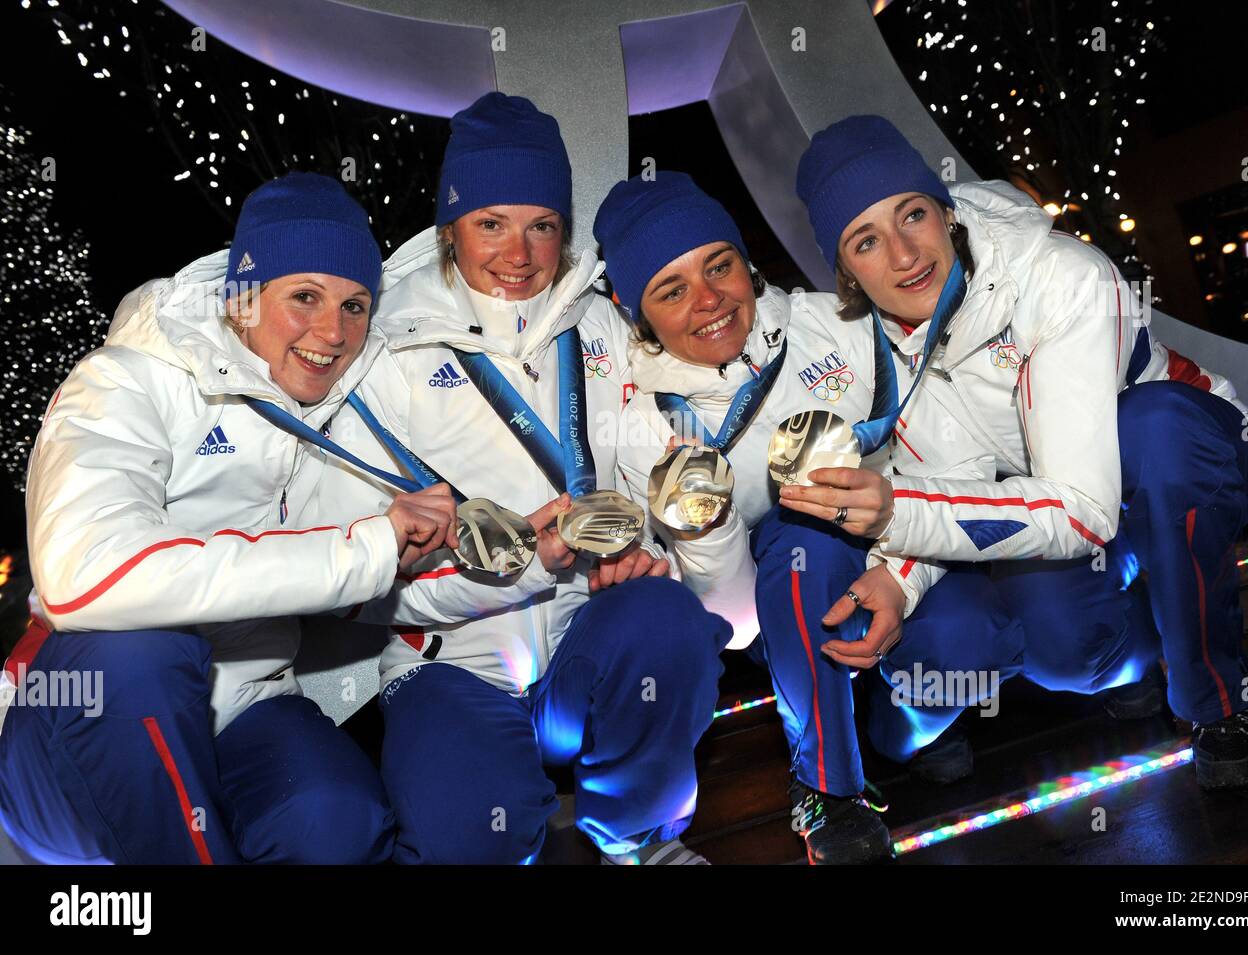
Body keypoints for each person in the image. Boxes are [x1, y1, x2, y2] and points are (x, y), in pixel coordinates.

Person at [786, 115, 1248, 790]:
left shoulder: (1061, 277)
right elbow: (952, 478)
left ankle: (1220, 706)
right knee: (1066, 648)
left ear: (945, 212)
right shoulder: (879, 350)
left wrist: (894, 511)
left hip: (1178, 466)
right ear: (846, 272)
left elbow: (1080, 507)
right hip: (1058, 511)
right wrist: (899, 578)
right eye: (866, 241)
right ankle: (1141, 651)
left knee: (1154, 428)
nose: (904, 253)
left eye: (912, 214)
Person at [317, 93, 733, 865]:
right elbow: (366, 587)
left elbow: (656, 481)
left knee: (668, 620)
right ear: (450, 229)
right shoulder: (384, 354)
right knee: (469, 835)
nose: (520, 254)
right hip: (450, 665)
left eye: (542, 224)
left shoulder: (601, 322)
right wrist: (516, 569)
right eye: (491, 224)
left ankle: (638, 834)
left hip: (585, 645)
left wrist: (649, 555)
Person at [0, 172, 459, 864]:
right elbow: (83, 579)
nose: (333, 332)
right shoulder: (126, 380)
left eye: (356, 304)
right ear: (242, 296)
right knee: (142, 653)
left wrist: (504, 554)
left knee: (338, 819)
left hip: (242, 705)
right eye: (304, 296)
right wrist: (363, 550)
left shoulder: (334, 413)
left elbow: (370, 580)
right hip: (79, 718)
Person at [597, 172, 1021, 864]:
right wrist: (709, 524)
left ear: (746, 260)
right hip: (781, 609)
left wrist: (898, 574)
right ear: (636, 312)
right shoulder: (638, 419)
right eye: (671, 291)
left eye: (719, 265)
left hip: (907, 549)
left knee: (972, 635)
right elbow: (725, 621)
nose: (709, 300)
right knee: (802, 535)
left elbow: (944, 460)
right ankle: (829, 785)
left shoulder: (836, 324)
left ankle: (904, 726)